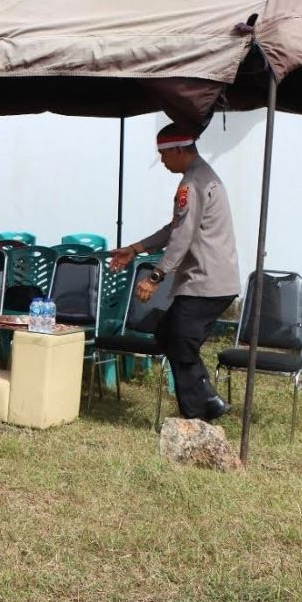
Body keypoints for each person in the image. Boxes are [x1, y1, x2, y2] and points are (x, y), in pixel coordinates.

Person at [110, 123, 240, 422]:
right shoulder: (202, 177)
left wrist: (156, 276)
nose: (164, 162)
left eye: (164, 155)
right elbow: (175, 228)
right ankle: (208, 399)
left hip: (205, 282)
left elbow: (182, 237)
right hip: (213, 280)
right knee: (169, 334)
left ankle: (198, 414)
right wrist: (135, 248)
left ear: (179, 150)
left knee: (180, 343)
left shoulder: (192, 184)